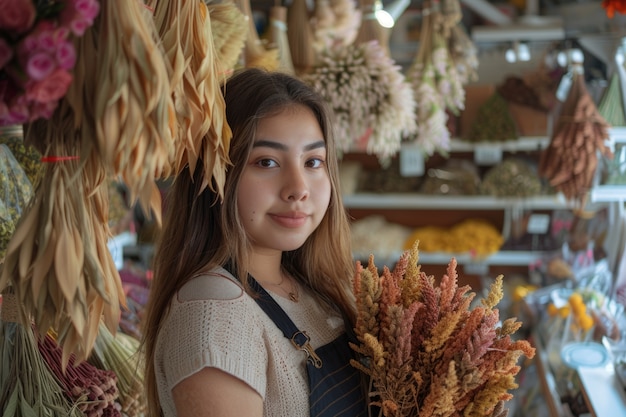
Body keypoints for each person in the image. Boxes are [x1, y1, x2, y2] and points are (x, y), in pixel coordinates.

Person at [141, 67, 368, 417]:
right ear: (215, 175)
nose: (298, 187)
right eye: (267, 161)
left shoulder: (313, 287)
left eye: (313, 161)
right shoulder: (215, 313)